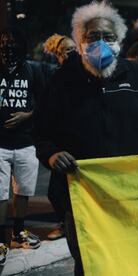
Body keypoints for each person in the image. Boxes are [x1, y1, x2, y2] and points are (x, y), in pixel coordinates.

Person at [35, 2, 138, 275]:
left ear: (119, 40)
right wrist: (51, 154)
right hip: (84, 200)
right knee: (91, 264)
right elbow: (42, 132)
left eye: (108, 36)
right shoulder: (62, 81)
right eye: (92, 36)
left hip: (133, 198)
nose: (101, 43)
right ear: (79, 41)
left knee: (136, 262)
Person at [0, 27, 43, 266]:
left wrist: (27, 116)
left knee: (23, 190)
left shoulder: (33, 70)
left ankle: (18, 231)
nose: (7, 48)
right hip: (0, 144)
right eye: (3, 44)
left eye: (11, 43)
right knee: (0, 193)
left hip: (26, 141)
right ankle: (0, 240)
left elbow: (44, 103)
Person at [42, 33, 78, 241]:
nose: (72, 53)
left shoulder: (83, 72)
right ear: (58, 54)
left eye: (74, 48)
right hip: (60, 141)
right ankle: (65, 223)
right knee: (56, 191)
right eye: (67, 50)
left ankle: (69, 223)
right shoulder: (52, 76)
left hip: (76, 139)